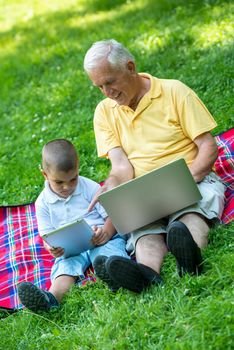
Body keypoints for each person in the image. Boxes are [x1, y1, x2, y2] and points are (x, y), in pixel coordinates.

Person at [83, 39, 226, 293]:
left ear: (130, 67)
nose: (107, 92)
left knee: (189, 215)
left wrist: (187, 179)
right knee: (143, 230)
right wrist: (111, 186)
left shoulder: (174, 92)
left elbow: (208, 147)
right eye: (99, 86)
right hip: (145, 192)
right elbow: (120, 168)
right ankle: (147, 273)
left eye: (111, 81)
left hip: (191, 176)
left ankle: (190, 257)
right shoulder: (104, 112)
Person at [17, 139, 132, 312]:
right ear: (45, 175)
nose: (67, 187)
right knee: (65, 268)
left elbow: (112, 215)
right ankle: (51, 298)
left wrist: (106, 233)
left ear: (78, 169)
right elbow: (47, 236)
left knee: (109, 253)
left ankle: (114, 276)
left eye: (73, 180)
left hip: (99, 238)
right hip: (70, 249)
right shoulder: (42, 203)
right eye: (59, 182)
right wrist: (52, 248)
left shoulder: (89, 187)